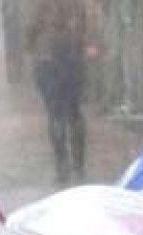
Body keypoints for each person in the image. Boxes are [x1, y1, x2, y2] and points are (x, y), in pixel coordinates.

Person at [26, 0, 104, 185]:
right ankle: (78, 165)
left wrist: (34, 47)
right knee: (73, 111)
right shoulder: (79, 6)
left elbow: (30, 32)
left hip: (49, 60)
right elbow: (90, 24)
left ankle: (62, 165)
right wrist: (89, 44)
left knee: (55, 114)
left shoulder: (41, 6)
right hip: (72, 57)